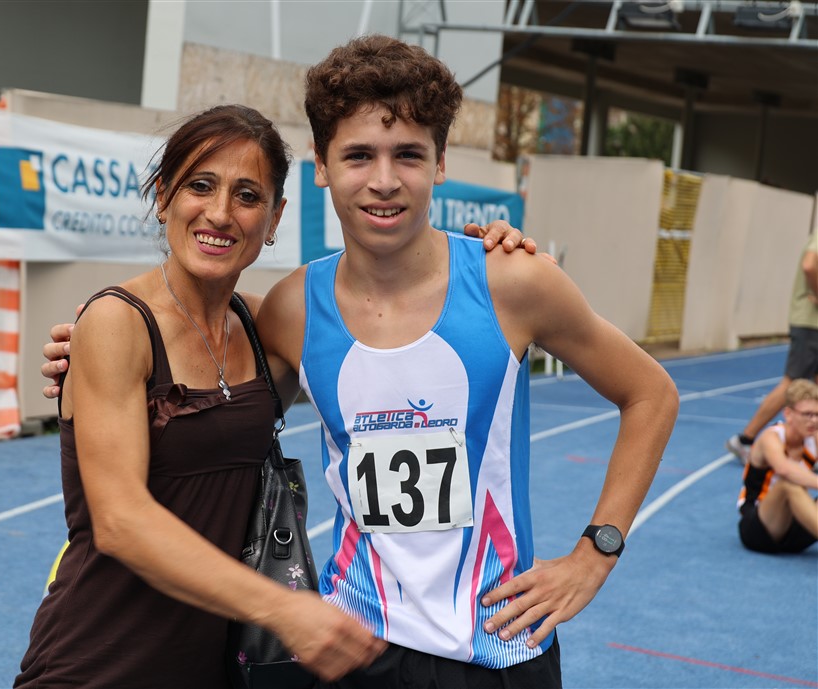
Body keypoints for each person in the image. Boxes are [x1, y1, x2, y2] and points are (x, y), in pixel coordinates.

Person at [19, 103, 529, 687]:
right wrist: (283, 609)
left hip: (217, 664)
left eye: (247, 196)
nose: (219, 213)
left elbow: (390, 322)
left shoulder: (265, 328)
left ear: (274, 217)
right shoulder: (118, 322)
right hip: (97, 659)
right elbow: (119, 521)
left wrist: (484, 257)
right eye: (200, 186)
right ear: (163, 196)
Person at [252, 36, 679, 687]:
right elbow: (229, 437)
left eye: (408, 154)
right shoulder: (291, 310)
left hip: (499, 648)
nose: (385, 180)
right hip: (351, 646)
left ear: (441, 162)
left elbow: (651, 394)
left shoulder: (514, 282)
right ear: (321, 165)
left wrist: (597, 552)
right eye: (359, 155)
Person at [727, 231, 818, 464]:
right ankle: (745, 439)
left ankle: (812, 450)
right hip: (810, 323)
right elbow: (810, 265)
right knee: (792, 382)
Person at [737, 378, 818, 554]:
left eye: (817, 415)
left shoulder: (813, 438)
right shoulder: (771, 437)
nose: (813, 421)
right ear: (788, 413)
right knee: (788, 483)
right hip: (758, 528)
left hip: (793, 526)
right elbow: (784, 469)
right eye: (807, 414)